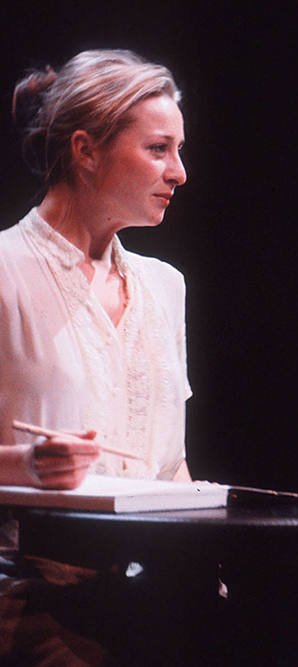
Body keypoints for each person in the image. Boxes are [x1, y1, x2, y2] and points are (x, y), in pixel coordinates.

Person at [0, 49, 192, 666]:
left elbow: (170, 463)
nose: (179, 172)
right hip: (32, 605)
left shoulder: (166, 286)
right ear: (86, 151)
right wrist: (26, 465)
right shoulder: (5, 273)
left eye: (178, 150)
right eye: (159, 149)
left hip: (154, 596)